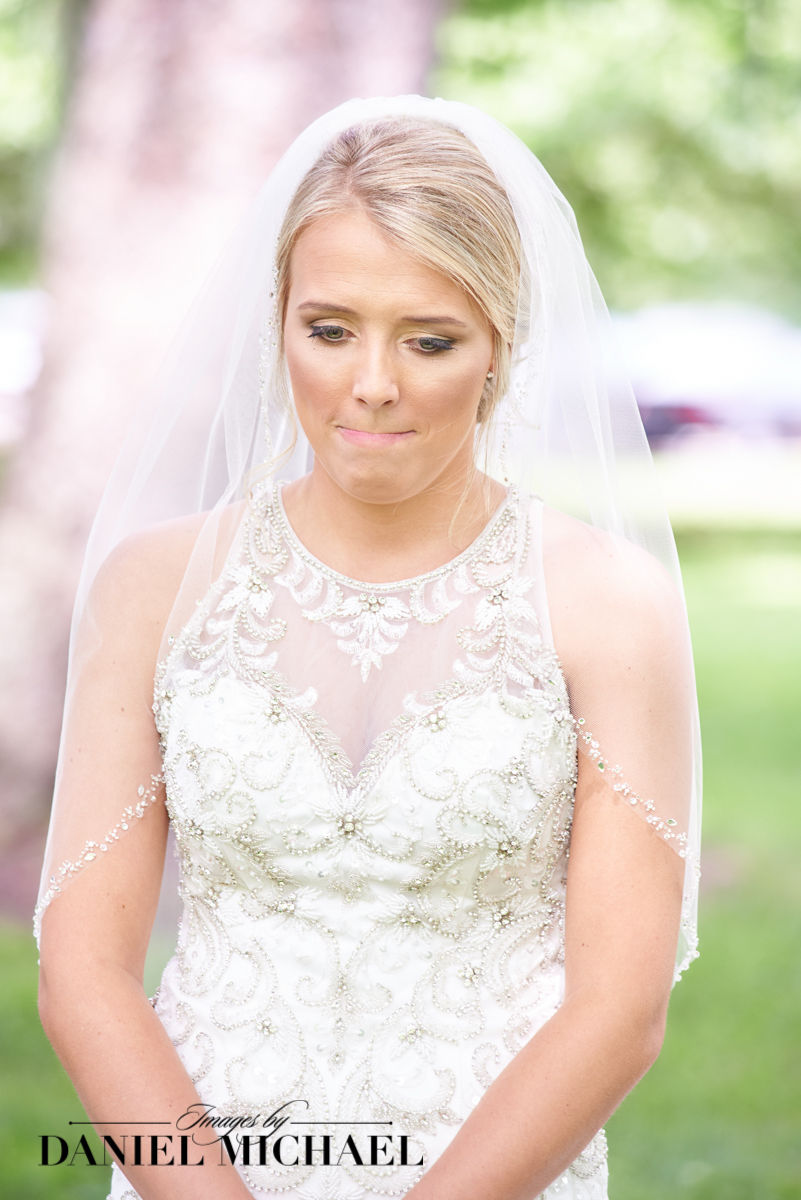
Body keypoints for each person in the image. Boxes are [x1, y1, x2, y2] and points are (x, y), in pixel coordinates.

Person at [35, 96, 701, 1200]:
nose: (373, 382)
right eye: (330, 329)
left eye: (429, 340)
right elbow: (84, 974)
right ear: (279, 324)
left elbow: (618, 1009)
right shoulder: (155, 589)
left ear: (502, 346)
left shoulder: (606, 605)